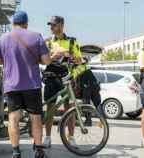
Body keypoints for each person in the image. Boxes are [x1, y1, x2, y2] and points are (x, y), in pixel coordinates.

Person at [0, 11, 61, 158]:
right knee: (36, 118)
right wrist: (37, 59)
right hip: (32, 85)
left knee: (13, 118)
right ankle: (37, 149)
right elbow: (47, 61)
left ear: (13, 23)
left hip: (12, 86)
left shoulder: (3, 39)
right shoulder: (36, 36)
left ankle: (16, 151)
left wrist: (10, 59)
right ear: (26, 23)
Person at [43, 16, 102, 147]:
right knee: (50, 108)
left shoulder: (72, 41)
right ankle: (47, 137)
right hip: (51, 76)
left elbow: (80, 61)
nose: (51, 28)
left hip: (67, 77)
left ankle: (71, 137)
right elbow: (43, 59)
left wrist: (70, 56)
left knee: (69, 109)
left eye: (54, 25)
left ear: (61, 25)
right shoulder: (47, 42)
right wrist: (54, 55)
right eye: (50, 26)